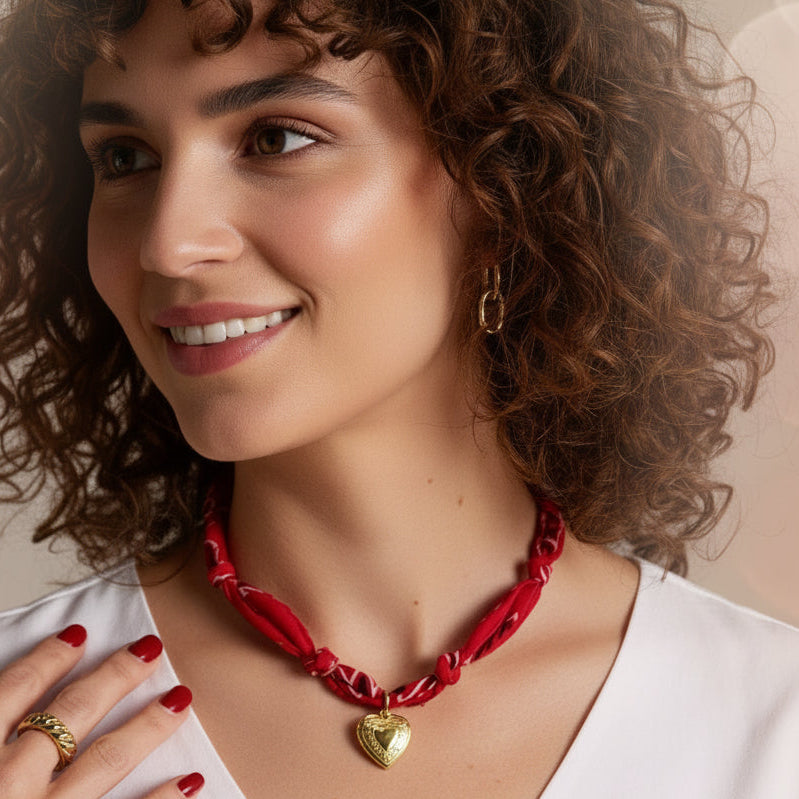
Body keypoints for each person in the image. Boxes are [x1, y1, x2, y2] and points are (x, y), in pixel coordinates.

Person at [0, 0, 797, 796]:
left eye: (275, 139)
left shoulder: (772, 721)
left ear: (503, 181)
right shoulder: (17, 721)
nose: (168, 243)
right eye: (125, 158)